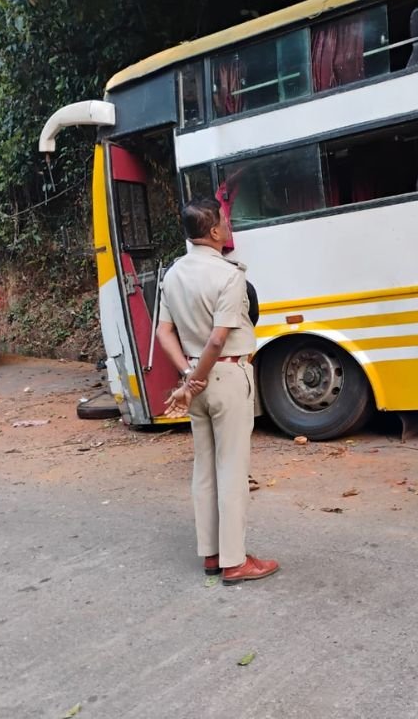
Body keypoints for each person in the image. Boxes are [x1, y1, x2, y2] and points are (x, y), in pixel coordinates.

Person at [156, 197, 279, 585]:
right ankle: (235, 561)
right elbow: (218, 338)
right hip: (225, 374)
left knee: (204, 468)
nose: (228, 227)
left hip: (195, 381)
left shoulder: (173, 274)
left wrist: (188, 377)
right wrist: (198, 376)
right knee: (232, 470)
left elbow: (163, 332)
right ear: (213, 231)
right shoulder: (229, 275)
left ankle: (211, 554)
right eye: (224, 222)